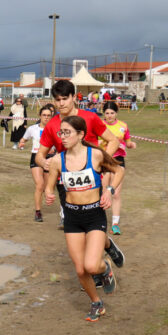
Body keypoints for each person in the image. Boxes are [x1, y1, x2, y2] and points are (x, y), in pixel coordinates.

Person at [44, 115, 126, 322]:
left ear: (80, 135)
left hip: (94, 215)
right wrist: (48, 193)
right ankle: (96, 303)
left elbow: (119, 170)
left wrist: (108, 190)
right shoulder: (57, 160)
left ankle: (105, 267)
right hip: (72, 217)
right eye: (60, 132)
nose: (62, 136)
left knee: (91, 266)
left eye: (67, 132)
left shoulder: (96, 155)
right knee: (80, 269)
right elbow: (50, 184)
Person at [99, 101, 137, 235]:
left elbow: (128, 141)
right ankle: (100, 222)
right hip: (103, 161)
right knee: (102, 192)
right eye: (107, 113)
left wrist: (131, 144)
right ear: (104, 113)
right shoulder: (100, 125)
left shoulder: (123, 126)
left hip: (118, 161)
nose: (109, 116)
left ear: (116, 113)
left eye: (112, 113)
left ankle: (115, 224)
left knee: (115, 193)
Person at [18, 104, 56, 222]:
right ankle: (38, 212)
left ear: (52, 116)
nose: (46, 117)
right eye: (44, 115)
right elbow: (24, 138)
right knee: (39, 185)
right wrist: (22, 142)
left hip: (50, 158)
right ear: (39, 116)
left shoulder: (56, 129)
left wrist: (55, 149)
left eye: (48, 115)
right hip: (36, 157)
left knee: (46, 187)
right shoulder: (32, 129)